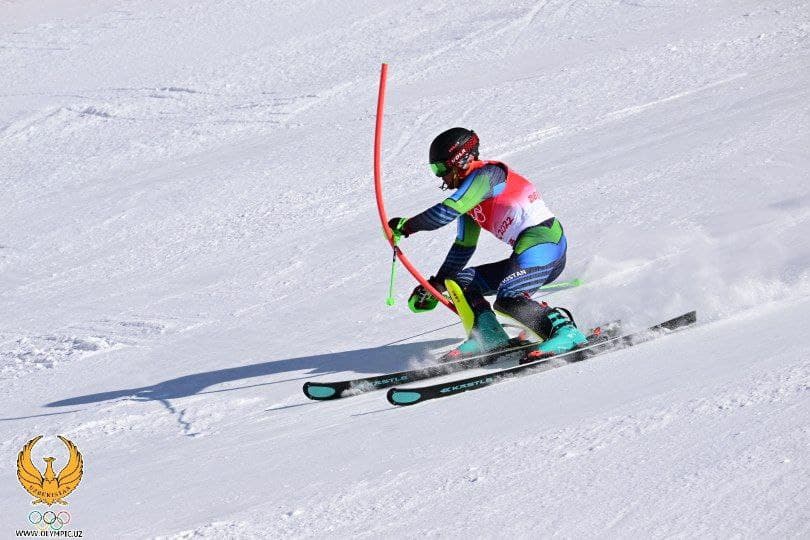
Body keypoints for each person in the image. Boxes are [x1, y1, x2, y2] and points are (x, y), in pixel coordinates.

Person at [388, 127, 587, 360]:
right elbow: (464, 246)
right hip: (527, 252)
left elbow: (445, 212)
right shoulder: (470, 198)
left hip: (546, 244)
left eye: (441, 168)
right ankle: (489, 337)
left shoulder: (487, 175)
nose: (441, 177)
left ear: (460, 160)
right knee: (459, 283)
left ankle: (566, 332)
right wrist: (437, 285)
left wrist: (407, 226)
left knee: (509, 297)